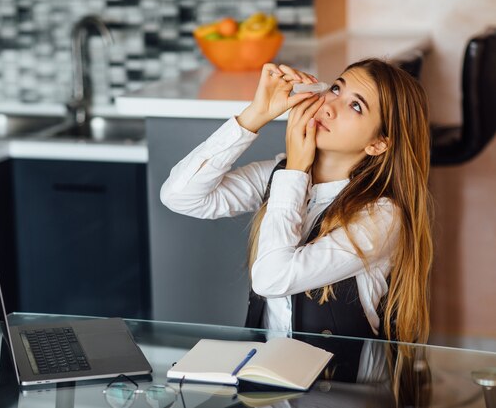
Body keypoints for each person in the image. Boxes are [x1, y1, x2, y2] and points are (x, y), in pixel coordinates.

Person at [160, 59, 433, 343]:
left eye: (356, 106)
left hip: (341, 386)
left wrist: (295, 172)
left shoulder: (381, 216)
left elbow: (271, 278)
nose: (328, 106)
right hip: (269, 374)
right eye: (337, 89)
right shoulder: (279, 174)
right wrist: (254, 116)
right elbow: (179, 196)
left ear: (377, 144)